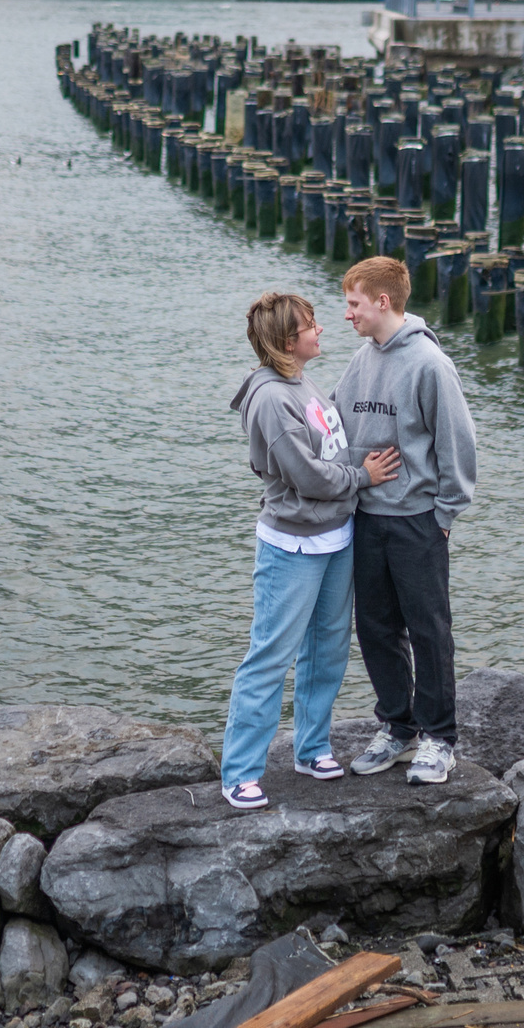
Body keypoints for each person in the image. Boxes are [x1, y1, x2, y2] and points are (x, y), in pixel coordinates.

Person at [221, 291, 401, 811]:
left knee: (326, 649)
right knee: (270, 656)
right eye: (310, 325)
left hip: (335, 537)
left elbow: (331, 449)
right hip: (292, 546)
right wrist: (362, 476)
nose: (321, 330)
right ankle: (239, 773)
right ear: (286, 341)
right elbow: (307, 475)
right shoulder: (272, 399)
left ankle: (312, 747)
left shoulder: (303, 383)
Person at [334, 255, 478, 785]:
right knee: (374, 627)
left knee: (429, 630)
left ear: (382, 301)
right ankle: (398, 728)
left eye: (353, 303)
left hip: (419, 520)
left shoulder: (429, 364)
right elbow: (340, 427)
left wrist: (445, 514)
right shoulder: (361, 359)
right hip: (367, 517)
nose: (348, 314)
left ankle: (440, 739)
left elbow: (458, 443)